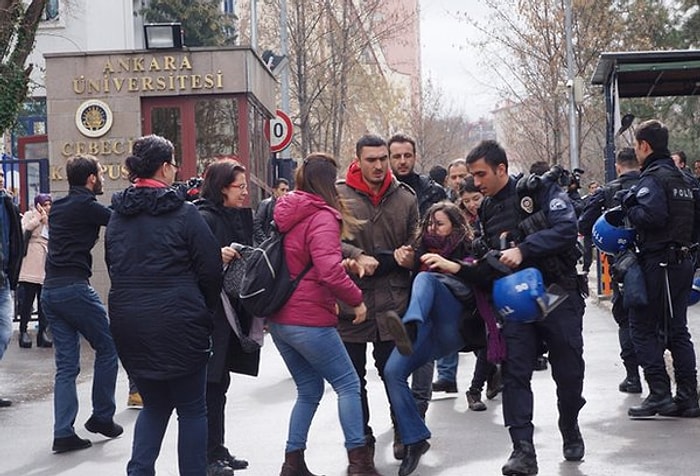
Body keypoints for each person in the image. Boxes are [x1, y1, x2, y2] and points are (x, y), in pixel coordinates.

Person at [466, 140, 586, 476]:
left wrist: (525, 248)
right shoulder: (487, 209)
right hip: (514, 302)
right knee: (515, 373)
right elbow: (486, 249)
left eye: (481, 174)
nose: (476, 182)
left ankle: (570, 424)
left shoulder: (538, 190)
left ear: (501, 169)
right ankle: (523, 450)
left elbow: (566, 229)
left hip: (555, 293)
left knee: (569, 368)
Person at [106, 135, 222, 474]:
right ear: (165, 167)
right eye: (173, 164)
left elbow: (114, 264)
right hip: (180, 320)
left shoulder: (117, 216)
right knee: (192, 409)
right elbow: (211, 269)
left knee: (154, 406)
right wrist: (203, 308)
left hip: (129, 321)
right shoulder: (184, 213)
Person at [268, 152, 380, 476]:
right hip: (308, 319)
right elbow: (329, 272)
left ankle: (293, 463)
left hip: (280, 318)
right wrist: (357, 300)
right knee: (348, 384)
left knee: (309, 389)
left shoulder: (287, 211)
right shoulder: (322, 216)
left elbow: (308, 262)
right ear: (330, 183)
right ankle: (359, 463)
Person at [337, 134, 419, 459]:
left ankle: (403, 431)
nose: (379, 165)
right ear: (357, 159)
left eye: (383, 158)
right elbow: (326, 239)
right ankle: (361, 440)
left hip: (393, 300)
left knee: (394, 372)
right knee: (352, 379)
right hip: (352, 302)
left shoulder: (406, 197)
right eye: (371, 159)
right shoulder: (339, 195)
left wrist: (412, 254)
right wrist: (354, 253)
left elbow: (418, 238)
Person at [383, 201, 477, 476]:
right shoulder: (419, 252)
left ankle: (409, 327)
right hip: (425, 330)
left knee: (426, 280)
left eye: (440, 224)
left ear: (456, 226)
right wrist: (401, 258)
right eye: (429, 224)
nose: (432, 229)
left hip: (453, 323)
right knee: (392, 372)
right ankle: (415, 439)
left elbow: (481, 276)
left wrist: (452, 266)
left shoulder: (469, 248)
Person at [42, 154, 122, 453]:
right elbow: (118, 219)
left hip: (49, 291)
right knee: (109, 346)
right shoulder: (87, 207)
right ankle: (102, 416)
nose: (101, 177)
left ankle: (63, 433)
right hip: (74, 289)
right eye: (100, 173)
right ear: (91, 178)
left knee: (66, 367)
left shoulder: (60, 206)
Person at [621, 120, 700, 419]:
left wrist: (629, 206)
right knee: (677, 330)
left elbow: (651, 215)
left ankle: (658, 393)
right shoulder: (684, 178)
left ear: (644, 146)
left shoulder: (654, 178)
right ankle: (688, 397)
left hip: (660, 262)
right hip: (682, 261)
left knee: (641, 325)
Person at [196, 159, 259, 475]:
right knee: (210, 386)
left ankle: (217, 449)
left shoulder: (235, 216)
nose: (245, 192)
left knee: (220, 384)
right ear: (222, 187)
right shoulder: (203, 217)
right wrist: (214, 255)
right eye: (240, 187)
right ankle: (208, 456)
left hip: (231, 313)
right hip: (210, 316)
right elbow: (190, 264)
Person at [387, 132, 446, 458]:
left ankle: (414, 422)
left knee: (423, 353)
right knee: (394, 358)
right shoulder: (384, 193)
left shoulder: (432, 192)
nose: (402, 162)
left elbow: (449, 232)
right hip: (392, 284)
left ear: (414, 156)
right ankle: (402, 422)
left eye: (407, 155)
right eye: (396, 156)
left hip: (425, 278)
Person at [578, 148, 642, 393]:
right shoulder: (652, 185)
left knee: (626, 318)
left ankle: (633, 377)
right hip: (658, 262)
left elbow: (583, 224)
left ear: (618, 166)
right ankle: (666, 386)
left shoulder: (608, 191)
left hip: (624, 264)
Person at [457, 177, 501, 412]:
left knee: (489, 336)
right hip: (470, 283)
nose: (472, 204)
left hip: (493, 281)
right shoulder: (459, 221)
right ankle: (490, 375)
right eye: (467, 201)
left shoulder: (494, 214)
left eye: (476, 198)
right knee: (479, 338)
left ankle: (475, 390)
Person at [17, 193, 52, 349]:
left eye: (49, 204)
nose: (47, 207)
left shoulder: (52, 218)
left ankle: (42, 333)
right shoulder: (30, 215)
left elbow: (56, 235)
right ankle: (23, 331)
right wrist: (38, 218)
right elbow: (24, 229)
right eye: (45, 204)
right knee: (28, 300)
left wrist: (47, 221)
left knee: (43, 301)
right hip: (31, 261)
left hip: (46, 261)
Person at [0, 172, 23, 407]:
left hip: (3, 279)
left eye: (1, 175)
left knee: (5, 333)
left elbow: (16, 238)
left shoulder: (8, 204)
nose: (0, 179)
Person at [253, 177, 290, 245]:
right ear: (275, 190)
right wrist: (265, 243)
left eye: (287, 190)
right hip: (266, 245)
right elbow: (257, 225)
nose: (285, 193)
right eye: (282, 190)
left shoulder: (287, 207)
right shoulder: (266, 204)